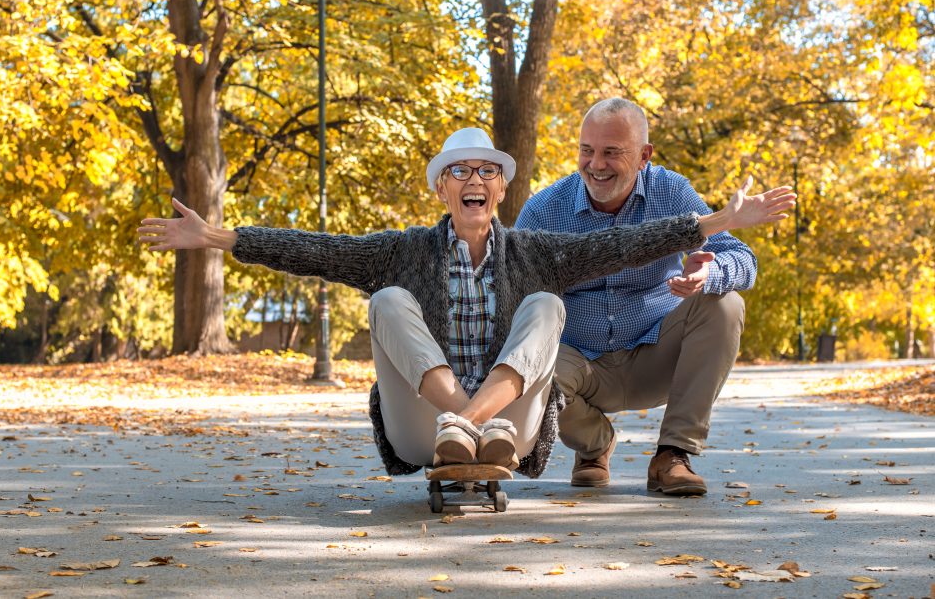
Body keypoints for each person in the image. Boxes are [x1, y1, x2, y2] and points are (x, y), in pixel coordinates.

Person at [139, 127, 794, 478]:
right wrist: (219, 237)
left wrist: (711, 222)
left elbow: (632, 243)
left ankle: (479, 423)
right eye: (459, 171)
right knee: (389, 300)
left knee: (546, 307)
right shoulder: (401, 251)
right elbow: (317, 250)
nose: (473, 179)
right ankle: (463, 420)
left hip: (513, 428)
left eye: (486, 171)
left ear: (502, 189)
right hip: (425, 424)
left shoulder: (536, 250)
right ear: (442, 190)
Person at [515, 97, 766, 495]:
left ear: (644, 155)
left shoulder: (671, 192)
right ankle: (595, 445)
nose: (596, 164)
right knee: (521, 363)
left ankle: (673, 455)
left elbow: (743, 260)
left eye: (612, 152)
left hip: (656, 354)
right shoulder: (545, 209)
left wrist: (709, 273)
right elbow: (513, 296)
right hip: (578, 362)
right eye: (587, 150)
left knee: (726, 302)